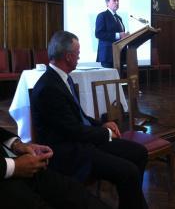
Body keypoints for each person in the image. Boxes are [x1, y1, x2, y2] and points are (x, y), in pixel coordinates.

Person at [31, 30, 148, 209]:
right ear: (68, 57)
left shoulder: (62, 78)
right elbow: (73, 130)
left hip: (83, 139)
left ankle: (135, 202)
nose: (79, 58)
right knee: (129, 172)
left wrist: (102, 124)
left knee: (140, 153)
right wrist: (105, 132)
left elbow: (80, 116)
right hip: (70, 151)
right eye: (77, 54)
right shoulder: (49, 88)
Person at [0, 126, 111, 209]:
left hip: (13, 160)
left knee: (73, 192)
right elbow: (72, 128)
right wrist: (13, 166)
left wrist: (15, 144)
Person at [95, 0, 129, 68]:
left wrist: (125, 36)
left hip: (120, 55)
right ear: (107, 3)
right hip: (108, 56)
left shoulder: (119, 18)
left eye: (118, 0)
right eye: (114, 0)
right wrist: (118, 35)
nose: (117, 2)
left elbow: (121, 35)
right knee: (111, 79)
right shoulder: (102, 15)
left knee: (120, 79)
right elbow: (98, 34)